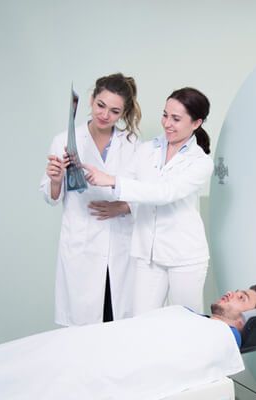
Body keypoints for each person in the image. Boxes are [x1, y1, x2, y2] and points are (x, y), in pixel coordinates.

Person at [0, 285, 256, 400]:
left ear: (251, 320)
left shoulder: (216, 337)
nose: (231, 293)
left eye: (242, 298)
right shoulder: (186, 316)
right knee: (9, 361)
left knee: (15, 380)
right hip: (84, 344)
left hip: (93, 366)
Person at [82, 87, 214, 316]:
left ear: (196, 123)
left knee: (186, 325)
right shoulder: (146, 150)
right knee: (141, 323)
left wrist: (112, 180)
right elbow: (121, 185)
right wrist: (79, 173)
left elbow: (165, 193)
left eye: (176, 119)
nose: (167, 123)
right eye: (165, 115)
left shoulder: (200, 162)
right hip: (147, 253)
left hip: (184, 256)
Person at [40, 73, 141, 325]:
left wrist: (122, 207)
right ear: (91, 99)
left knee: (115, 319)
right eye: (100, 105)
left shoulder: (132, 144)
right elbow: (52, 198)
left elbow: (144, 193)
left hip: (119, 245)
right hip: (81, 244)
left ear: (124, 113)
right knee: (82, 326)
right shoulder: (64, 140)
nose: (105, 115)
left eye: (115, 111)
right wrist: (56, 180)